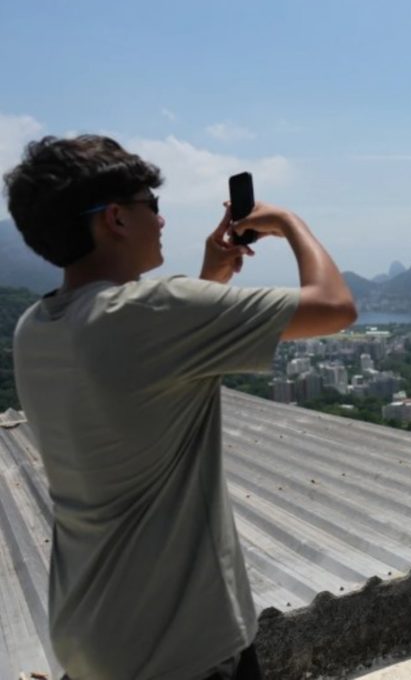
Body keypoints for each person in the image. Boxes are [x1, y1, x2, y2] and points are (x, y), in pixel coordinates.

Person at [4, 135, 357, 680]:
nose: (163, 221)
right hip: (182, 646)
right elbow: (335, 307)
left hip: (89, 639)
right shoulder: (155, 311)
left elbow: (147, 363)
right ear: (116, 218)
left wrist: (211, 277)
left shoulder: (36, 328)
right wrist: (288, 221)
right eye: (155, 205)